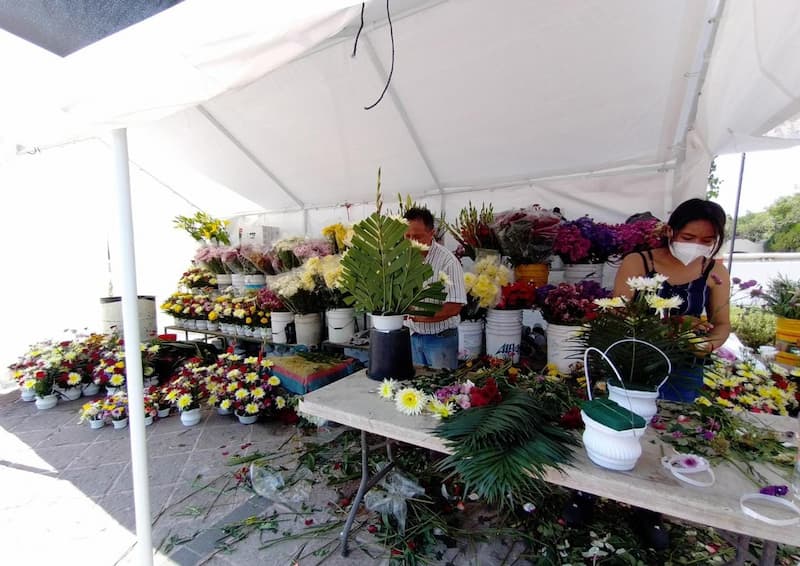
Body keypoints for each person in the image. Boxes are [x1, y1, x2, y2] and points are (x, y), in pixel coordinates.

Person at [614, 198, 731, 401]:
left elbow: (722, 323)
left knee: (675, 425)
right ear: (669, 231)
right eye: (688, 237)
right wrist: (676, 324)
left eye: (707, 241)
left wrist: (707, 345)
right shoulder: (639, 263)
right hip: (637, 361)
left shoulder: (715, 271)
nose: (696, 245)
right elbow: (617, 312)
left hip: (686, 366)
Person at [403, 207, 467, 370]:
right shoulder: (401, 258)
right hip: (412, 336)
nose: (411, 241)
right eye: (407, 236)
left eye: (417, 237)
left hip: (441, 339)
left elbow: (454, 307)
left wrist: (417, 316)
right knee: (414, 389)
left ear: (432, 233)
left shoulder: (448, 262)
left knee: (441, 389)